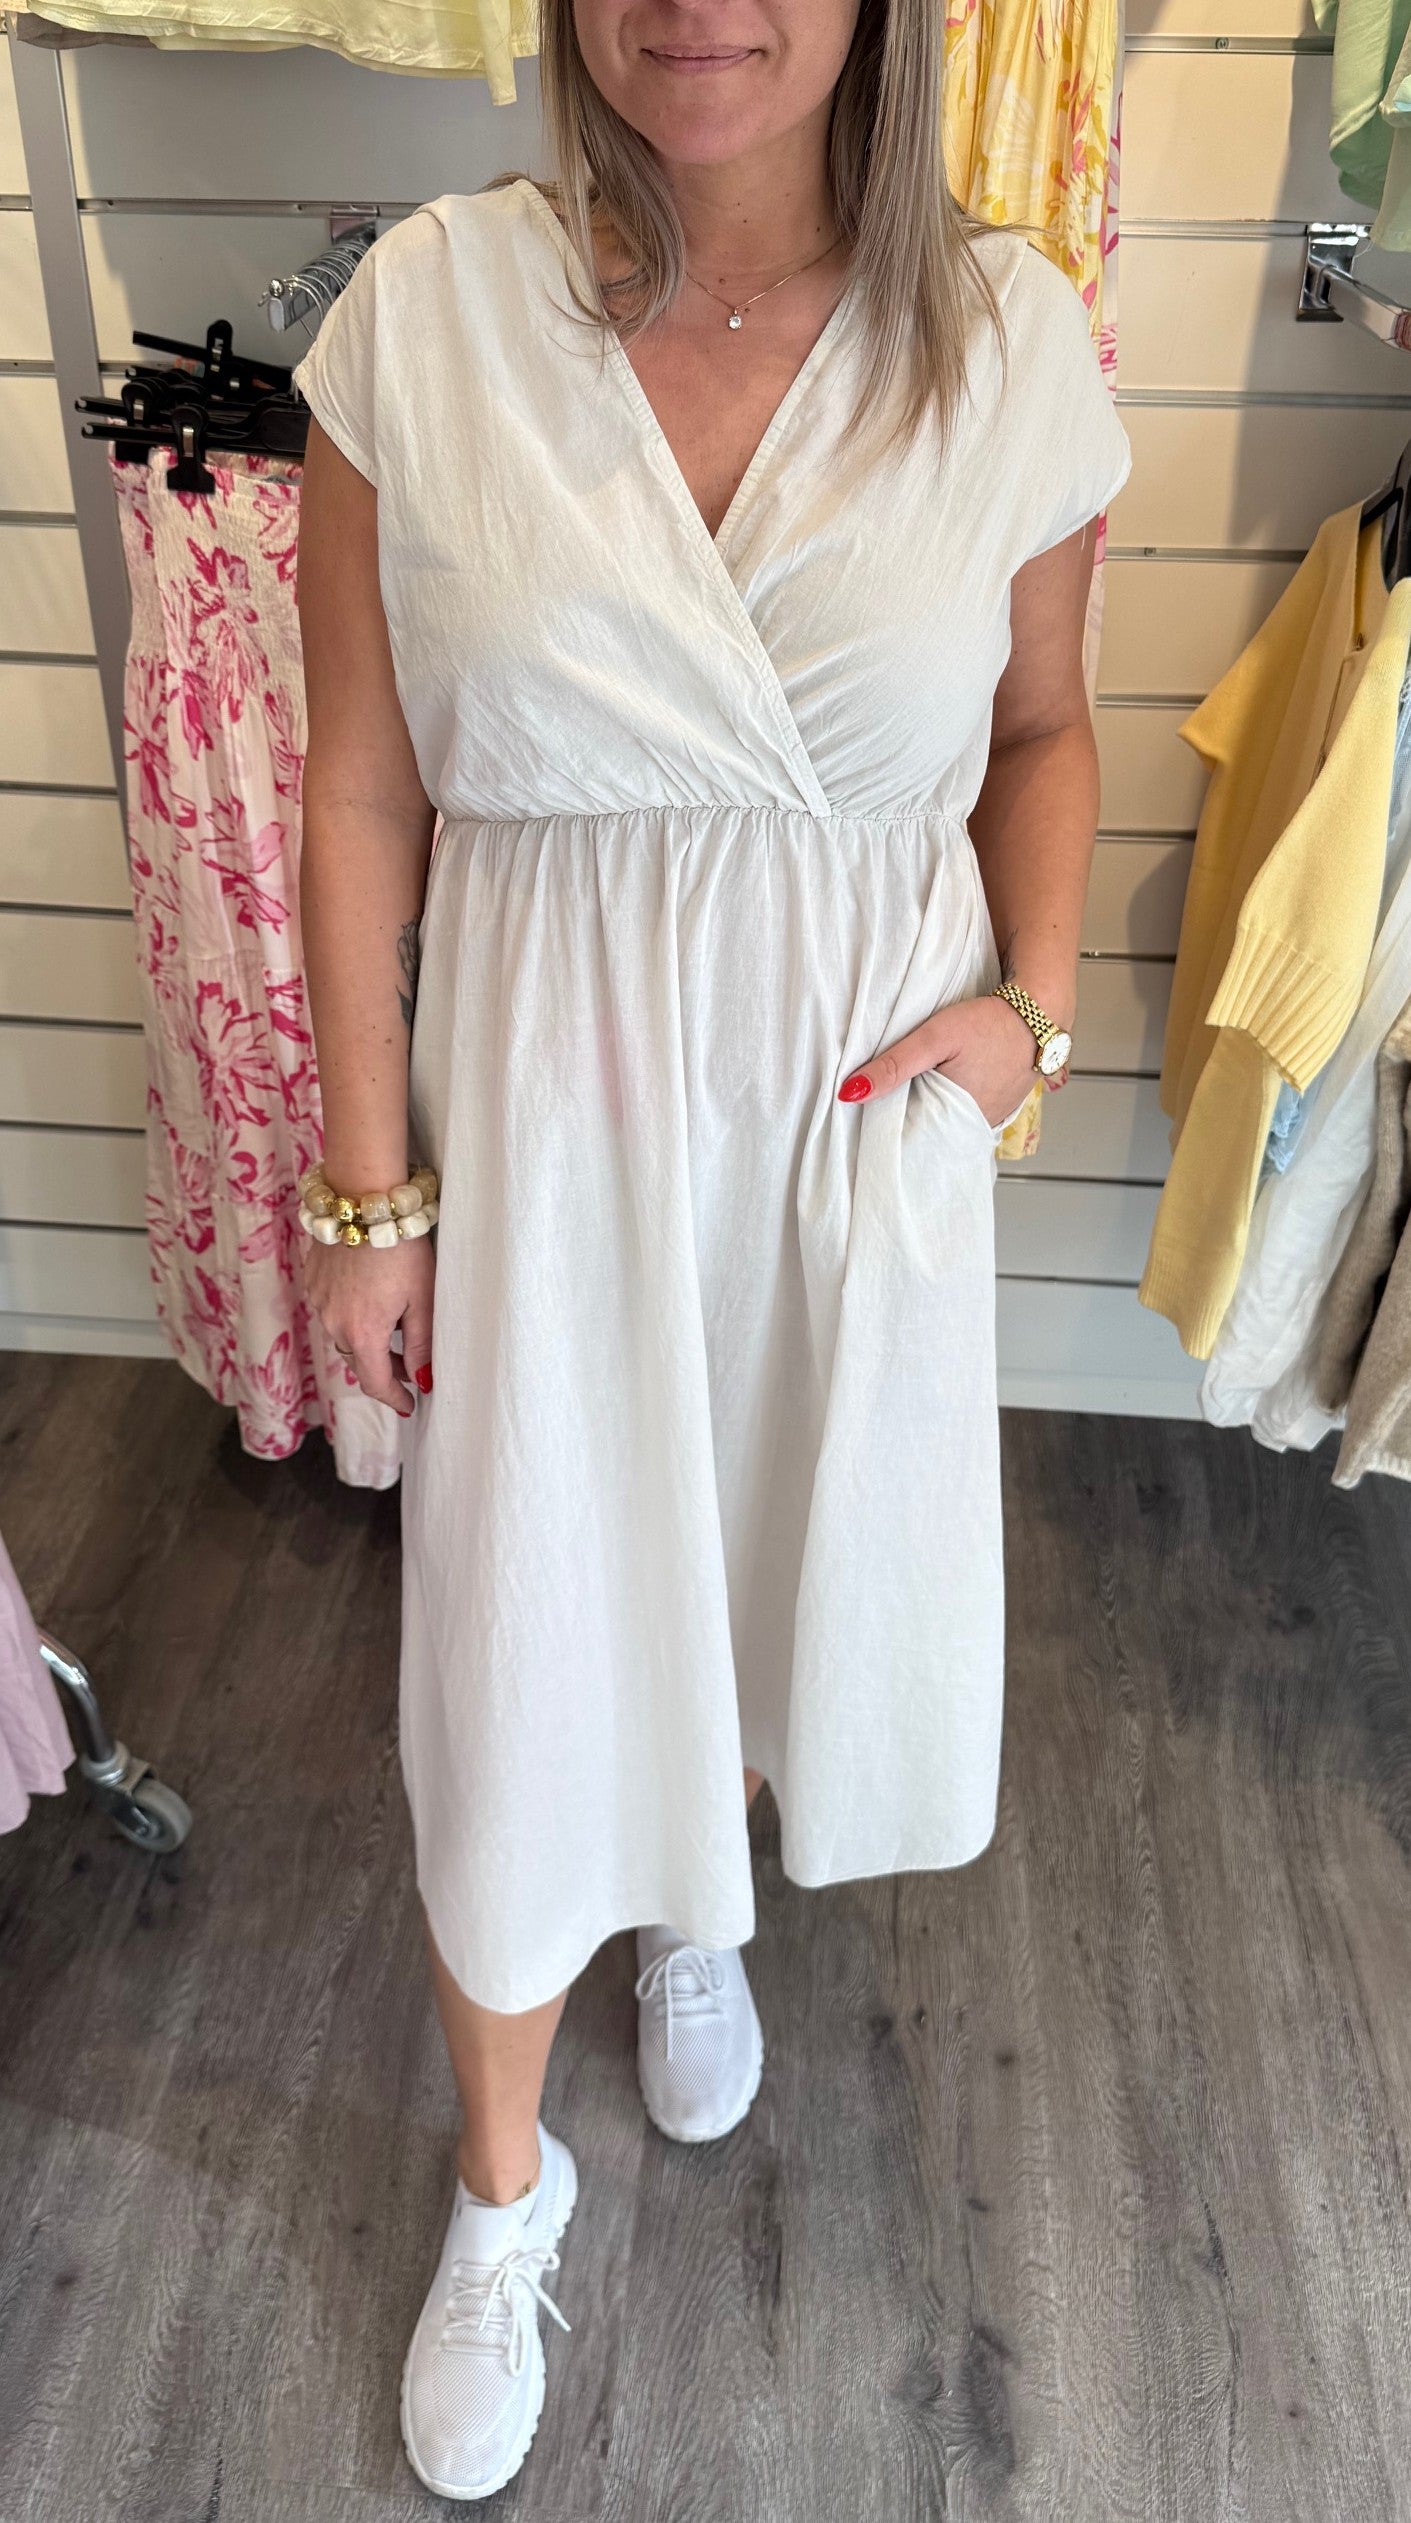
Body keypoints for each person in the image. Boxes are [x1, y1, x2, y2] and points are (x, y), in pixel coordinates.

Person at [293, 0, 1129, 2499]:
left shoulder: (1006, 340)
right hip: (546, 1128)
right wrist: (366, 1191)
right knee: (508, 1658)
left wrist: (1034, 1015)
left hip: (846, 1137)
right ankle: (500, 2192)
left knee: (763, 1570)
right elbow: (356, 784)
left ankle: (698, 1908)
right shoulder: (426, 318)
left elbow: (1043, 732)